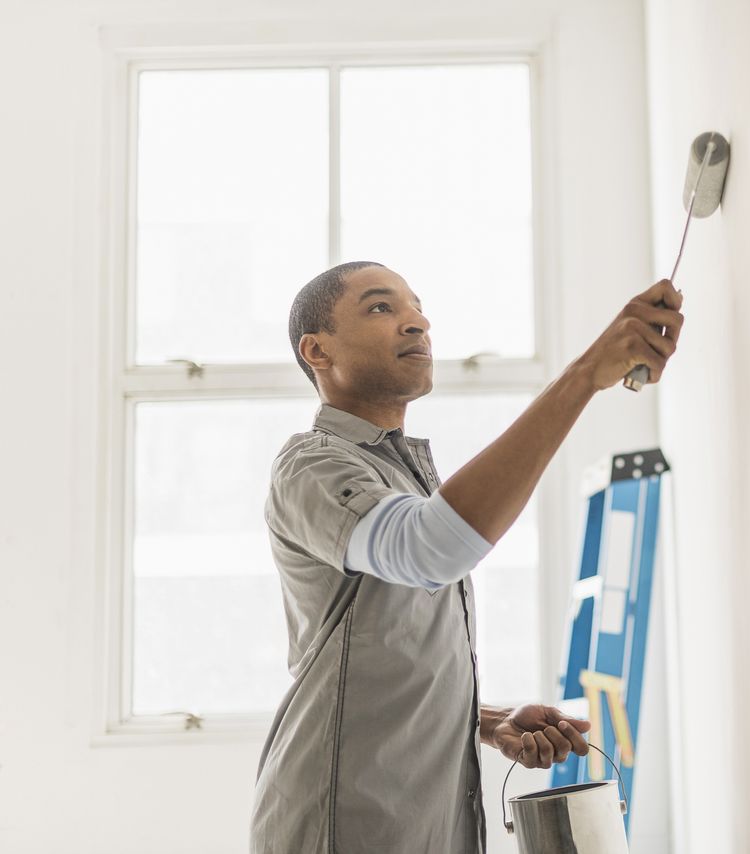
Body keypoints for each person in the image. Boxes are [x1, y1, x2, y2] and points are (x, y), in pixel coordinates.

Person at [250, 261, 684, 853]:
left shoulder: (400, 476)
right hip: (343, 824)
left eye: (416, 307)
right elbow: (429, 548)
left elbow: (385, 654)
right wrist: (585, 376)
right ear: (316, 350)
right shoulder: (312, 466)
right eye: (381, 307)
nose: (416, 322)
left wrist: (487, 721)